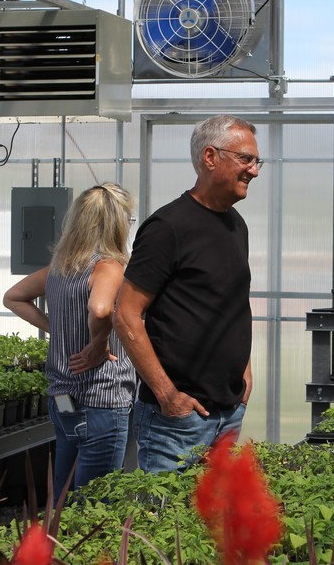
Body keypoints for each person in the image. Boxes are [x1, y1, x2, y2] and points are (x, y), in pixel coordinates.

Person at [113, 114, 260, 474]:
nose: (254, 171)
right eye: (246, 159)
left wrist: (245, 371)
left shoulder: (235, 225)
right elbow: (126, 314)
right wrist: (166, 395)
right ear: (210, 157)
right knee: (166, 524)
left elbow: (233, 303)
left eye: (257, 162)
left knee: (209, 521)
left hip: (227, 410)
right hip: (178, 419)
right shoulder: (168, 227)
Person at [3, 183, 137, 497]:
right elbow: (101, 308)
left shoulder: (59, 270)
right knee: (93, 504)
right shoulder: (109, 267)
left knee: (64, 494)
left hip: (63, 402)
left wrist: (56, 327)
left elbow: (13, 297)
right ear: (116, 224)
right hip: (102, 402)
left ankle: (56, 543)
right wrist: (98, 345)